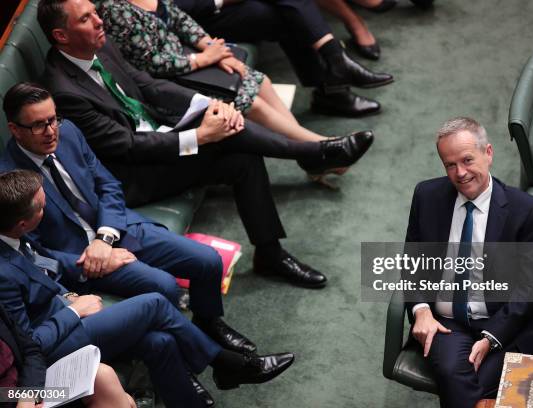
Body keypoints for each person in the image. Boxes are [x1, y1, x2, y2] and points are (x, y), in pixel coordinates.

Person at [37, 0, 374, 288]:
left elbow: (146, 84)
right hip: (132, 178)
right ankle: (313, 153)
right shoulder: (64, 90)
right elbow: (126, 146)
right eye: (85, 18)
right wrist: (199, 136)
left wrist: (205, 104)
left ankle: (270, 253)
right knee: (226, 139)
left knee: (242, 157)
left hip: (156, 135)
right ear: (61, 36)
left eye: (95, 12)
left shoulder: (98, 43)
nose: (99, 20)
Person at [0, 82, 274, 358]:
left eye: (53, 119)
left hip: (115, 227)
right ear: (14, 129)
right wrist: (96, 258)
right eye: (38, 125)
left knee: (208, 261)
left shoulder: (68, 132)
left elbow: (107, 184)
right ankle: (187, 355)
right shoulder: (9, 181)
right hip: (83, 260)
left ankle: (208, 323)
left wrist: (105, 237)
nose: (50, 131)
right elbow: (32, 254)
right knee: (164, 285)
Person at [0, 169, 294, 408]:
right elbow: (29, 344)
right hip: (55, 345)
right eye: (43, 205)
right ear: (25, 222)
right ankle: (225, 362)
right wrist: (75, 311)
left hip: (67, 313)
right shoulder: (3, 273)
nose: (47, 207)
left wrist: (67, 295)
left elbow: (43, 272)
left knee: (159, 343)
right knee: (154, 302)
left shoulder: (16, 236)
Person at [404, 117, 533, 408]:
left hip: (506, 322)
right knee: (457, 373)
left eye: (467, 160)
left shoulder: (525, 211)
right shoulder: (427, 196)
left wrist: (491, 337)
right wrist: (421, 309)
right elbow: (413, 260)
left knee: (463, 382)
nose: (460, 173)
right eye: (450, 165)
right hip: (447, 324)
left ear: (488, 153)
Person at [96, 0, 359, 145]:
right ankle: (318, 146)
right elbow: (149, 63)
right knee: (252, 102)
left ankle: (308, 149)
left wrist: (213, 49)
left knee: (260, 80)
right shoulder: (113, 10)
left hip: (190, 63)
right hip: (166, 84)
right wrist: (202, 59)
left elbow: (181, 20)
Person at [172, 0, 393, 116]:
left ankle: (334, 70)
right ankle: (334, 70)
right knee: (279, 15)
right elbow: (164, 8)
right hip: (193, 18)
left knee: (286, 9)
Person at [0, 302, 135, 408]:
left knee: (103, 376)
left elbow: (30, 350)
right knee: (153, 303)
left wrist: (27, 396)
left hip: (22, 390)